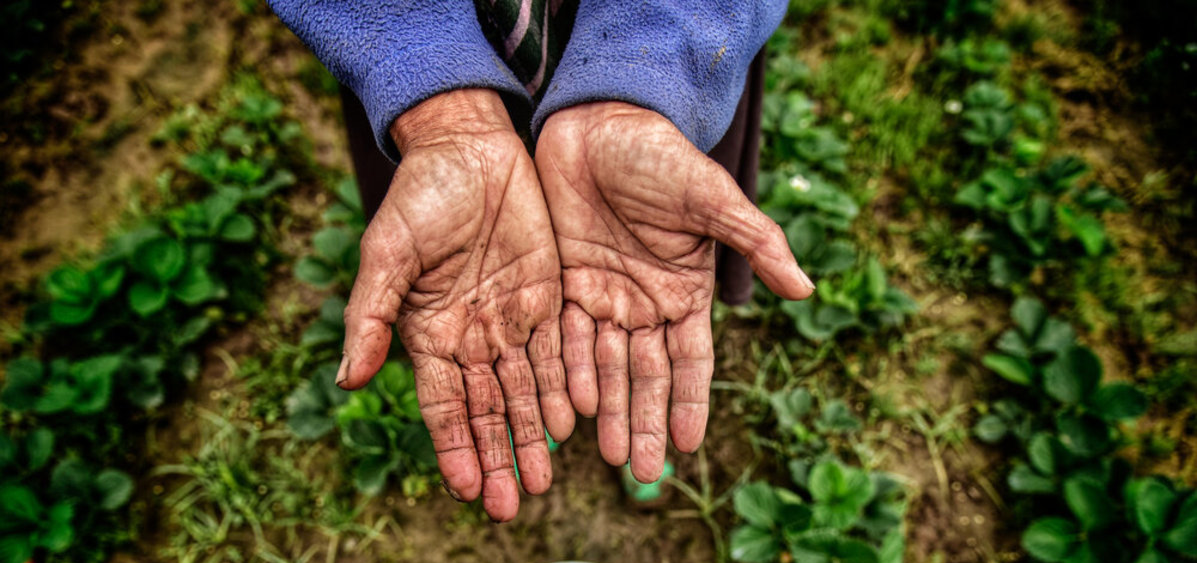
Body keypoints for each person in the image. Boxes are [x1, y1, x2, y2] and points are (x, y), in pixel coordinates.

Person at [267, 0, 815, 521]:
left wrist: (645, 74)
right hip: (436, 38)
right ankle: (530, 391)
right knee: (504, 282)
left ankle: (589, 397)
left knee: (657, 259)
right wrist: (435, 98)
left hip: (667, 36)